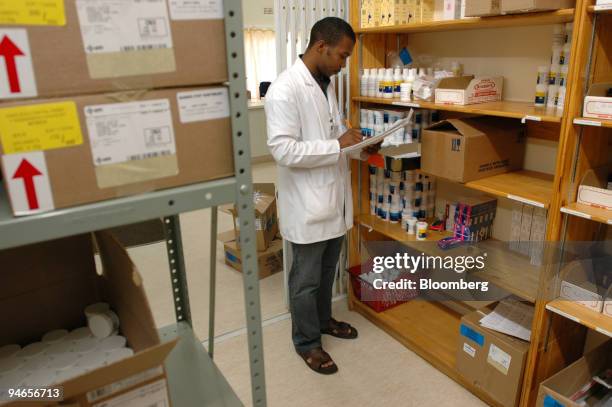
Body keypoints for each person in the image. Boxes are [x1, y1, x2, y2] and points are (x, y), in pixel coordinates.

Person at [265, 17, 378, 375]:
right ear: (320, 47)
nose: (344, 64)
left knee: (327, 271)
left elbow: (335, 135)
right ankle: (306, 342)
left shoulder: (324, 85)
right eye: (342, 56)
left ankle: (324, 319)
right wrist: (336, 143)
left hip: (332, 201)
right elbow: (283, 150)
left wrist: (357, 141)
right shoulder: (285, 89)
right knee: (306, 280)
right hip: (308, 205)